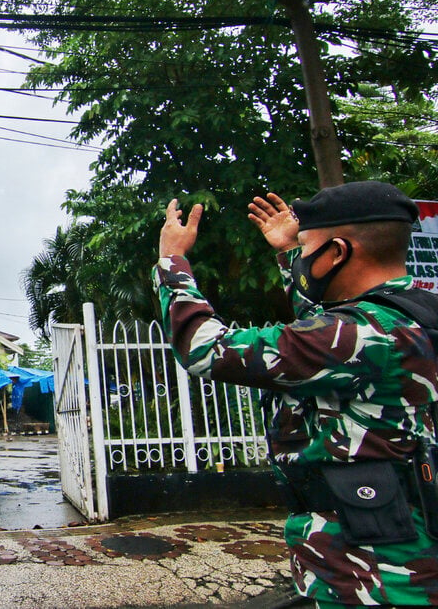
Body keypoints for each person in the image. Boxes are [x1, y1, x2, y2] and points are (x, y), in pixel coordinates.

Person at [155, 181, 438, 607]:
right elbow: (326, 330)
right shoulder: (410, 316)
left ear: (337, 253)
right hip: (405, 542)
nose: (303, 260)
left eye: (307, 248)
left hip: (372, 573)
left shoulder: (354, 333)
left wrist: (172, 262)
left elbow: (204, 349)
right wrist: (290, 252)